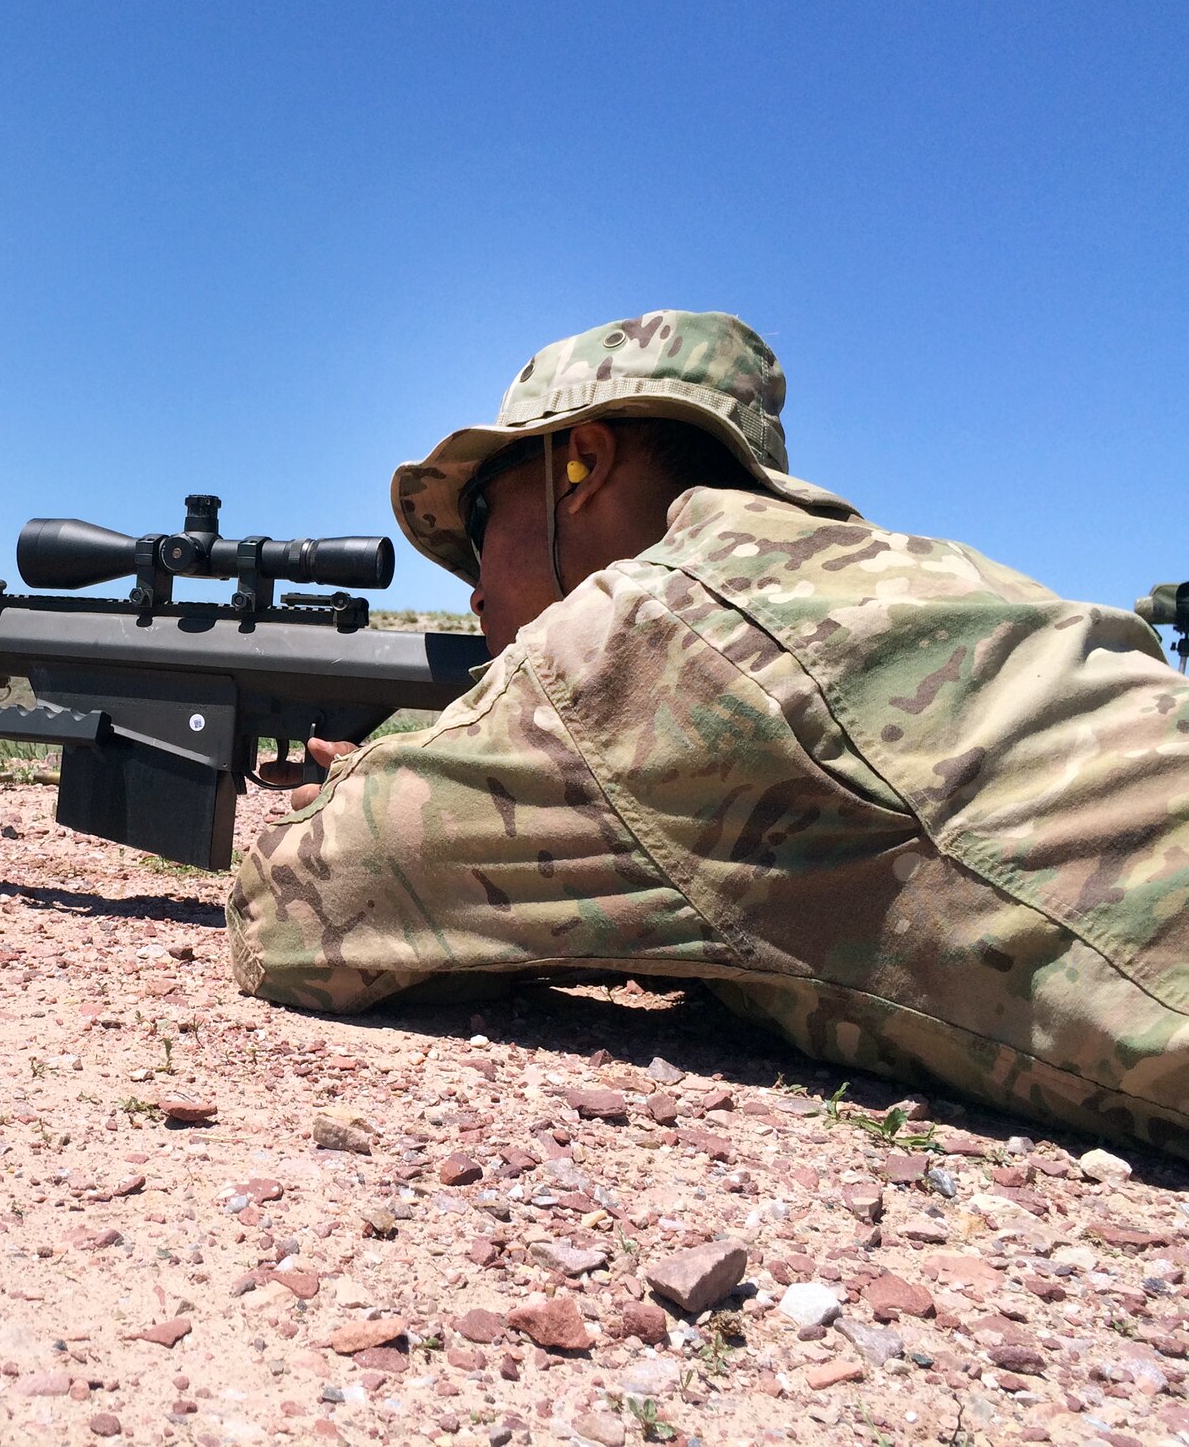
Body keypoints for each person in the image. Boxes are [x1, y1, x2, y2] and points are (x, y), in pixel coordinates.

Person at [227, 310, 1189, 1157]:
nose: (474, 586)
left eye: (483, 526)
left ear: (582, 469)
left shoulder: (648, 629)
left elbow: (298, 917)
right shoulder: (920, 569)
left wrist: (386, 785)